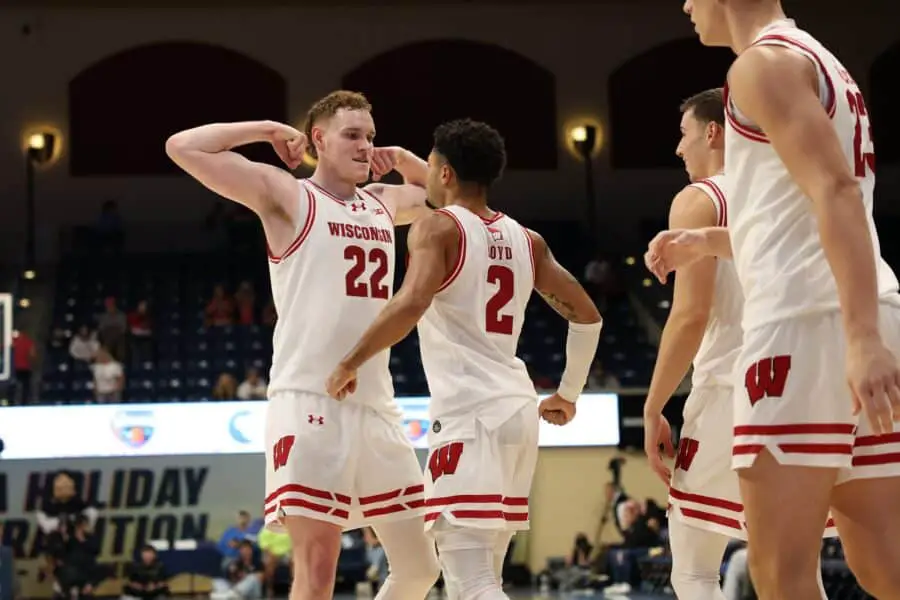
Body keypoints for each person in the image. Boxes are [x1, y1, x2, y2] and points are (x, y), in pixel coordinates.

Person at [646, 3, 900, 598]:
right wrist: (706, 241)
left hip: (803, 328)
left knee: (780, 572)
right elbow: (810, 212)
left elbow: (835, 189)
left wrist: (859, 338)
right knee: (884, 564)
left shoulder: (759, 65)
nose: (686, 4)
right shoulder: (823, 59)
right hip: (865, 307)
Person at [166, 90, 439, 600]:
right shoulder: (289, 195)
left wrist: (402, 160)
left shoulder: (383, 201)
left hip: (377, 406)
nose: (365, 146)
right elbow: (183, 147)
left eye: (371, 137)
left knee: (421, 567)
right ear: (319, 139)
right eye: (352, 135)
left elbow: (449, 201)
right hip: (310, 399)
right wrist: (267, 127)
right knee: (318, 570)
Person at [326, 118, 602, 600]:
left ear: (447, 173)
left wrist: (350, 361)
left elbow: (410, 303)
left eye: (431, 168)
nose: (426, 177)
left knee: (469, 580)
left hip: (471, 416)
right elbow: (588, 316)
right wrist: (569, 392)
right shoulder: (527, 239)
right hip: (518, 412)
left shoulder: (437, 227)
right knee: (482, 578)